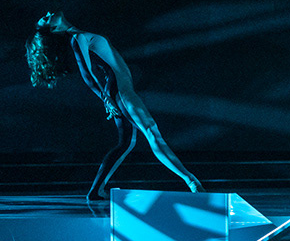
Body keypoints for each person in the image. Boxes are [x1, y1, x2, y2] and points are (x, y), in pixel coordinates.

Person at [26, 12, 204, 200]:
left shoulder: (79, 35)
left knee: (126, 143)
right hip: (119, 91)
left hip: (119, 90)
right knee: (151, 131)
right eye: (46, 18)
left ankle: (96, 191)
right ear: (53, 29)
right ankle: (192, 182)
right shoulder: (77, 38)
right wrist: (106, 98)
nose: (48, 14)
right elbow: (87, 74)